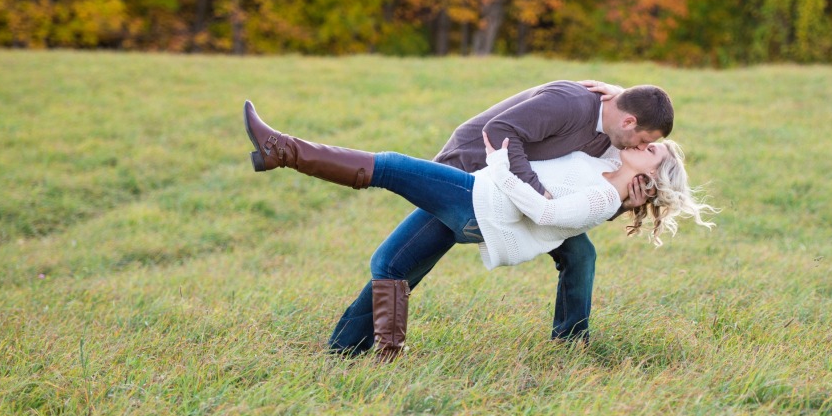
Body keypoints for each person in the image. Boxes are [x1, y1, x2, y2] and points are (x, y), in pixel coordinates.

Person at [243, 99, 716, 360]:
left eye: (651, 148)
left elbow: (554, 213)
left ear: (648, 176)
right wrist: (611, 93)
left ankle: (282, 149)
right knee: (392, 263)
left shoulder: (607, 193)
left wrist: (500, 164)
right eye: (648, 140)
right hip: (481, 199)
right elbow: (623, 119)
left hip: (479, 200)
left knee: (388, 165)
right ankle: (354, 352)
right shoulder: (608, 157)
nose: (645, 144)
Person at [326, 79, 671, 355]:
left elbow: (586, 202)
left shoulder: (615, 136)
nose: (639, 148)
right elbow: (501, 129)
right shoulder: (573, 103)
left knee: (580, 254)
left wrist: (625, 204)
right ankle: (348, 348)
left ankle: (570, 344)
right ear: (628, 121)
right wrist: (537, 191)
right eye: (643, 140)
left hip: (516, 199)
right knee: (396, 261)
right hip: (470, 171)